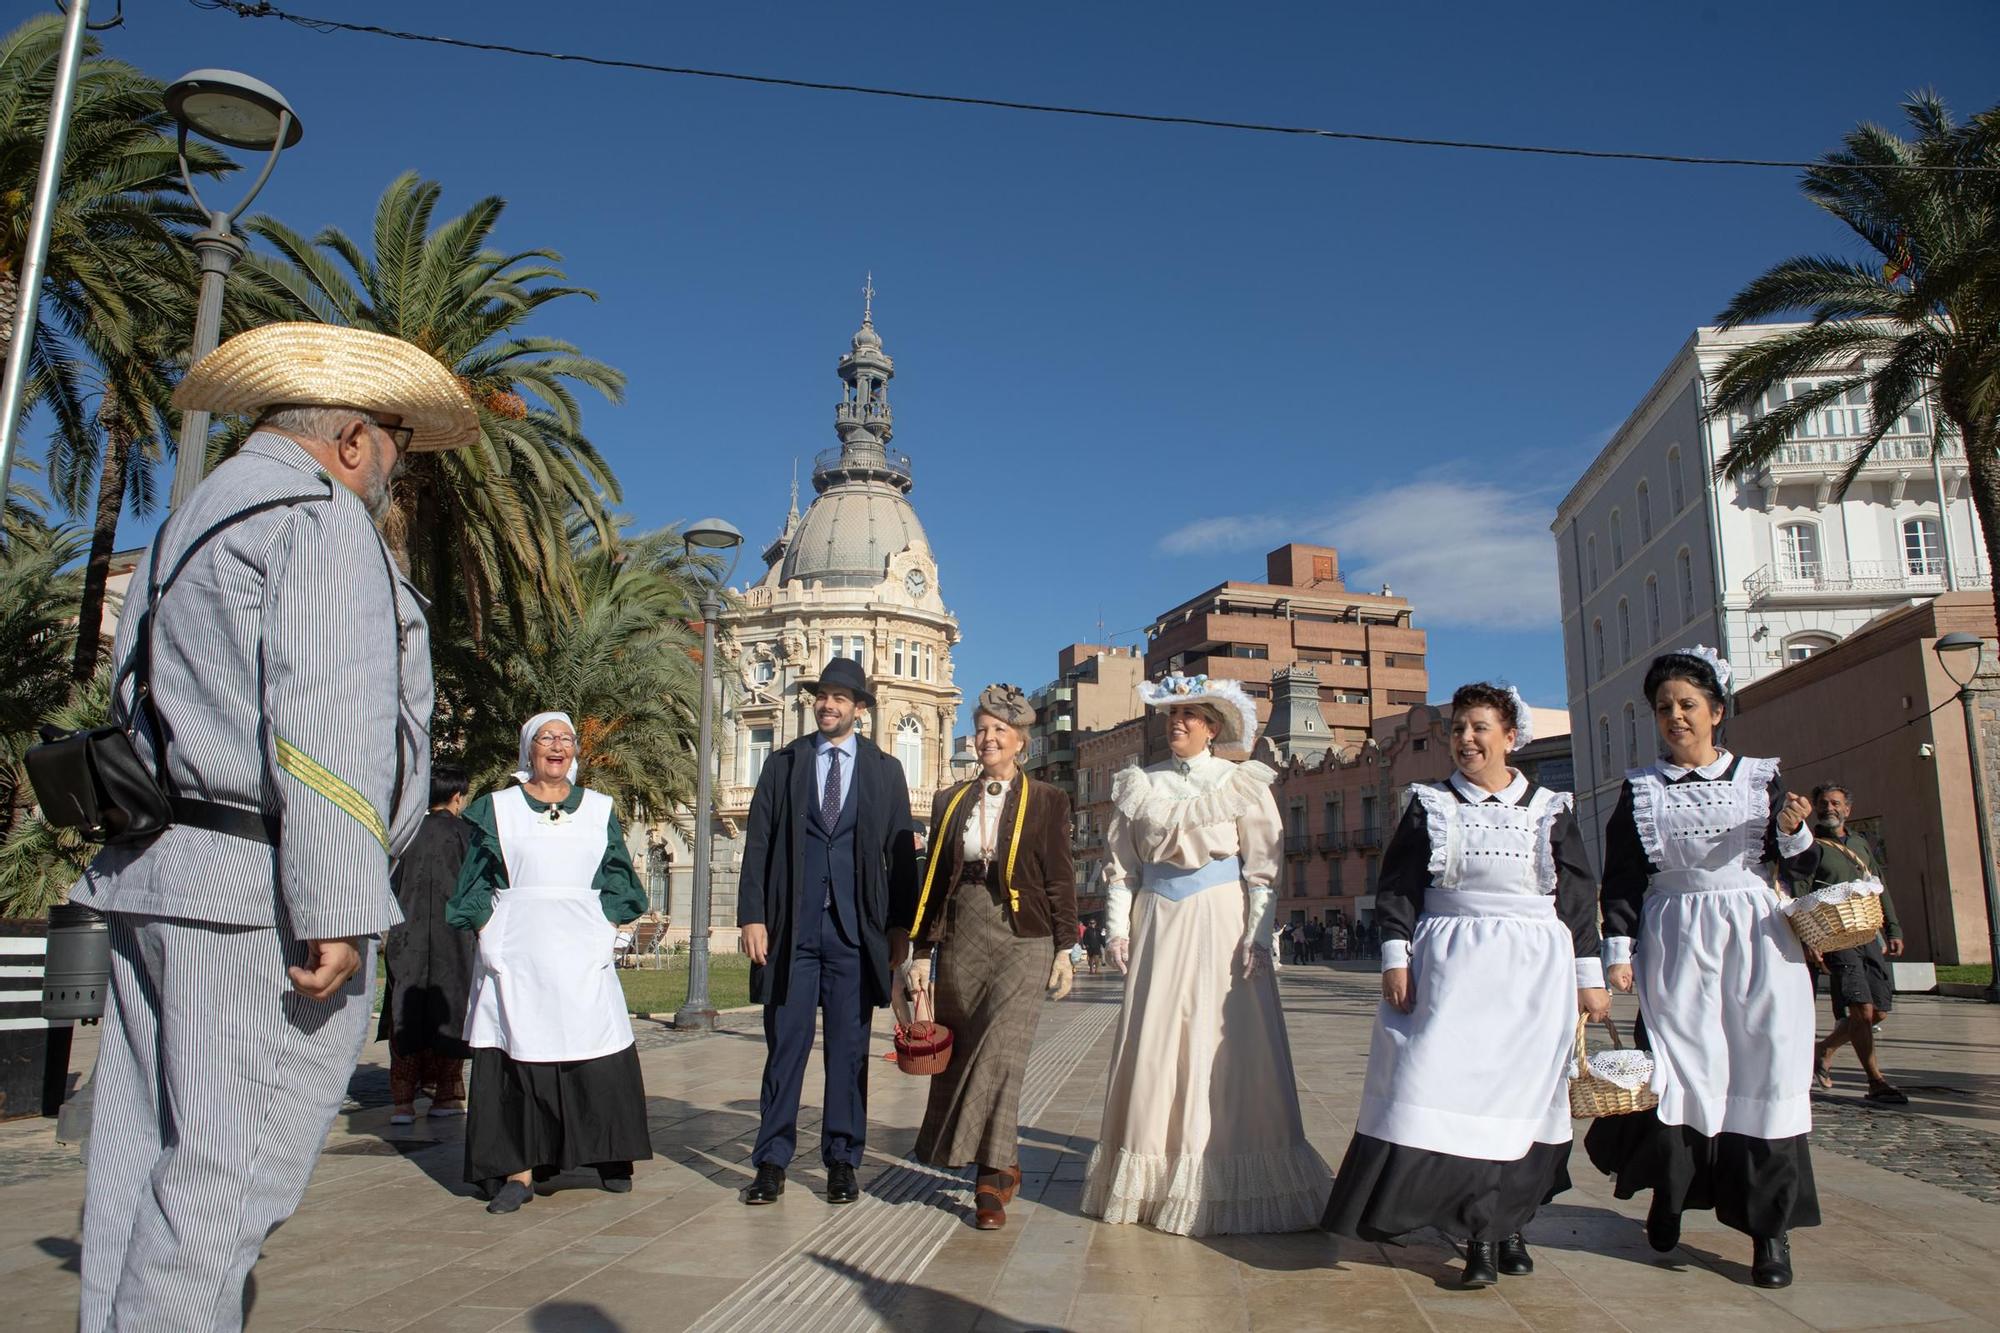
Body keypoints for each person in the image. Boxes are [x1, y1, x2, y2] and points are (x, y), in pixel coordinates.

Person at [72, 323, 468, 1331]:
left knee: (139, 1167)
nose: (394, 469)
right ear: (349, 440)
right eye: (396, 445)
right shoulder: (319, 518)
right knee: (224, 1179)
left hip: (160, 876)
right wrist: (337, 902)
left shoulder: (189, 522)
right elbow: (323, 725)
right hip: (260, 900)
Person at [1321, 684, 1609, 1287]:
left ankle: (1503, 1227)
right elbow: (1399, 885)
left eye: (1480, 727)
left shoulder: (1550, 807)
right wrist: (1396, 958)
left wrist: (1590, 976)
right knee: (1443, 1089)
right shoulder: (1430, 803)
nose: (1466, 739)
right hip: (1451, 963)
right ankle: (1475, 1228)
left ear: (1511, 736)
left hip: (1533, 968)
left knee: (1519, 1103)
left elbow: (1578, 896)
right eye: (1458, 728)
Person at [1584, 647, 1820, 1290]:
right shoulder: (1640, 790)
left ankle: (1770, 1235)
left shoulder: (1759, 778)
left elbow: (1796, 867)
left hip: (1756, 936)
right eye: (1665, 708)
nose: (1676, 717)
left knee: (1765, 1068)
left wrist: (1796, 831)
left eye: (1688, 705)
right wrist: (1618, 955)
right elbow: (1625, 879)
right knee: (1681, 1070)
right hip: (1676, 936)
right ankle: (1670, 1194)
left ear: (1716, 711)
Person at [1082, 674, 1330, 1235]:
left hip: (1222, 916)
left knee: (1228, 1038)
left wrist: (1258, 934)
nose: (1178, 723)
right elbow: (1119, 869)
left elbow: (1264, 870)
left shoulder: (1240, 782)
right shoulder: (1138, 785)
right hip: (1159, 917)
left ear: (1212, 728)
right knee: (1156, 1040)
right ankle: (1153, 1173)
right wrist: (1118, 930)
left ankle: (1221, 1168)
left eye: (1190, 715)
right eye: (1171, 715)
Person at [447, 712, 654, 1214]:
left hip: (581, 941)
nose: (557, 746)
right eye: (546, 738)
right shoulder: (496, 809)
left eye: (565, 738)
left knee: (593, 1043)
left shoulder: (598, 808)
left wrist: (606, 926)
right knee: (517, 1046)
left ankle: (607, 1153)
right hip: (517, 941)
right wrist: (486, 930)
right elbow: (473, 881)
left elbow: (619, 875)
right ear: (529, 750)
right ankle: (517, 1170)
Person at [893, 684, 1079, 1229]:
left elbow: (1059, 874)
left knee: (1002, 1050)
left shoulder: (1047, 799)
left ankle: (991, 1177)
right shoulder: (950, 799)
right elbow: (933, 877)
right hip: (963, 929)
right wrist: (921, 951)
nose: (988, 738)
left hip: (1026, 934)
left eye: (1000, 730)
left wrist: (1065, 948)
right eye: (981, 729)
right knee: (967, 1044)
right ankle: (1001, 1159)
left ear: (1021, 740)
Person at [739, 657, 919, 1207]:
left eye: (840, 697)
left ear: (860, 709)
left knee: (849, 1052)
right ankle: (771, 1162)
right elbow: (760, 845)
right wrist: (752, 916)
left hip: (853, 932)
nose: (828, 705)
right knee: (785, 1050)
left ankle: (842, 1160)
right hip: (792, 932)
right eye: (822, 695)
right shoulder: (785, 764)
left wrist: (898, 929)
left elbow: (901, 856)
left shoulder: (884, 770)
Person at [382, 764, 476, 1125]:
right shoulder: (467, 834)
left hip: (408, 935)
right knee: (450, 1007)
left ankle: (403, 1103)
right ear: (457, 797)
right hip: (456, 938)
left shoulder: (405, 834)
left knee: (406, 1006)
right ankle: (445, 1095)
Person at [1804, 784, 1908, 1104]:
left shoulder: (1860, 844)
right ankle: (1876, 1081)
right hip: (1835, 936)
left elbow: (1879, 886)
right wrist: (1810, 940)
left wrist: (1893, 928)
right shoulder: (1809, 847)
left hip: (1868, 933)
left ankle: (1824, 1049)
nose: (1828, 808)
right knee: (1860, 1008)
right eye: (1822, 804)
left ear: (1848, 809)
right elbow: (1798, 894)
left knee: (1878, 1012)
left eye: (1835, 803)